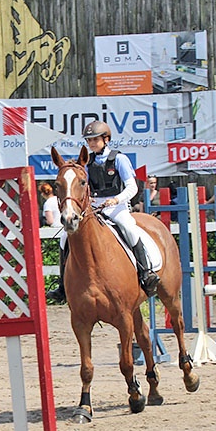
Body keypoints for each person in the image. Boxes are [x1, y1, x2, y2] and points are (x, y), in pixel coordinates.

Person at [49, 121, 160, 300]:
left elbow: (132, 187)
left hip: (117, 206)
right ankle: (62, 284)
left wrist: (117, 199)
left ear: (106, 139)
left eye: (95, 139)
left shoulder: (119, 159)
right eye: (89, 140)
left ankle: (146, 273)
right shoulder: (87, 162)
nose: (92, 143)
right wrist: (89, 199)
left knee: (129, 228)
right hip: (94, 207)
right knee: (65, 237)